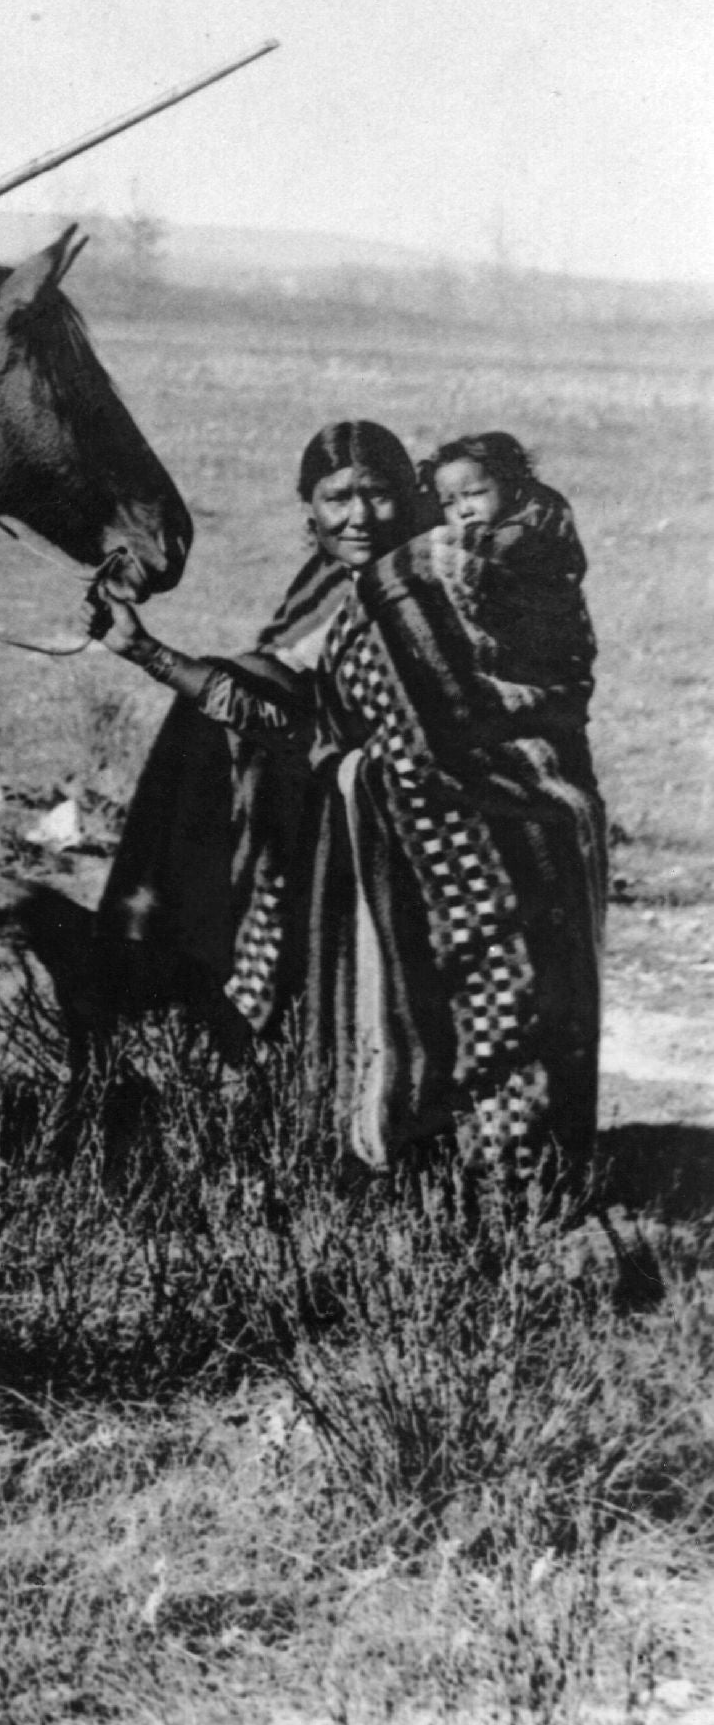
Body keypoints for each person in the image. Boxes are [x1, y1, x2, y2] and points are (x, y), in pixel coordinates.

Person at [91, 419, 604, 1178]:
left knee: (503, 1006)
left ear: (413, 499)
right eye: (337, 498)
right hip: (395, 820)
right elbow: (293, 721)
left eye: (379, 494)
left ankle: (513, 1183)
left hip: (504, 817)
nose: (359, 515)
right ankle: (411, 1156)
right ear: (309, 509)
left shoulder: (435, 575)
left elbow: (514, 687)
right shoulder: (335, 591)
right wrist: (145, 651)